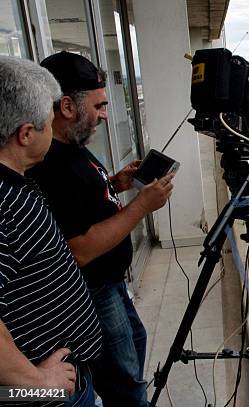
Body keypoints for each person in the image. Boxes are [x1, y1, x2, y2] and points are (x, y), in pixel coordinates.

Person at [29, 51, 174, 406]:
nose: (105, 115)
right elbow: (79, 248)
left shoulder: (70, 146)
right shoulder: (51, 163)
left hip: (111, 284)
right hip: (94, 291)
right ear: (67, 106)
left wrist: (115, 183)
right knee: (124, 383)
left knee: (133, 352)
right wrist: (142, 206)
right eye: (98, 106)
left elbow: (78, 204)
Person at [0, 56, 102, 405]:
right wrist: (36, 382)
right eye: (47, 123)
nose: (53, 131)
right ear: (26, 134)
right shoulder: (5, 205)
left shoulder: (15, 186)